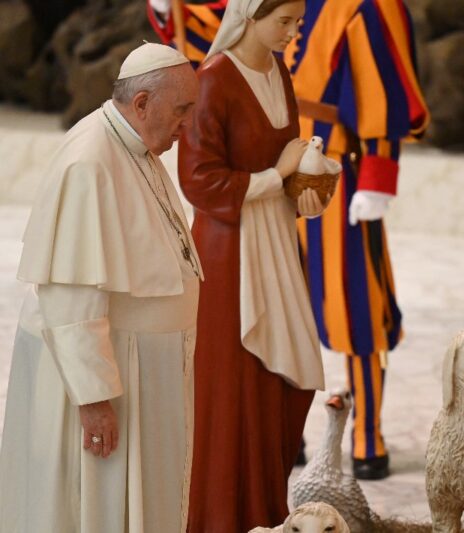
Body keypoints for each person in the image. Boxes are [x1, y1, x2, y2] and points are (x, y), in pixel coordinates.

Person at [0, 43, 201, 532]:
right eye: (181, 111)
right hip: (109, 378)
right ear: (142, 103)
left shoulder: (132, 145)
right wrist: (93, 403)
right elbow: (71, 297)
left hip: (140, 368)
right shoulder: (89, 162)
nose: (186, 125)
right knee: (94, 506)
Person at [177, 0, 327, 530]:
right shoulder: (214, 79)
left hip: (276, 246)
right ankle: (219, 517)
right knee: (230, 386)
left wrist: (305, 190)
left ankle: (265, 512)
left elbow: (288, 157)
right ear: (248, 14)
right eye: (283, 21)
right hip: (228, 255)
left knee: (280, 384)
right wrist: (273, 178)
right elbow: (197, 180)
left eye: (297, 22)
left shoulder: (277, 69)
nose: (292, 32)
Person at [283, 0, 430, 479]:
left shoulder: (365, 6)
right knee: (279, 307)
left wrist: (377, 173)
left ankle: (368, 432)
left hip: (333, 172)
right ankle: (286, 431)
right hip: (272, 167)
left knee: (358, 305)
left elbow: (382, 86)